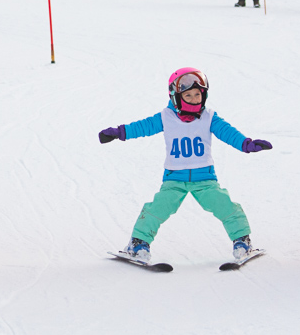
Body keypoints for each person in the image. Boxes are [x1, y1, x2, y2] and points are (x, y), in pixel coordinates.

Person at [98, 68, 272, 264]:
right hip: (174, 178)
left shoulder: (209, 117)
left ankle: (243, 242)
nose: (194, 99)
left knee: (226, 206)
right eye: (188, 95)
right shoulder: (166, 117)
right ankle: (138, 244)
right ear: (175, 96)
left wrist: (246, 144)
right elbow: (142, 126)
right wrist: (118, 133)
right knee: (157, 209)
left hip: (205, 178)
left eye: (198, 95)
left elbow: (227, 132)